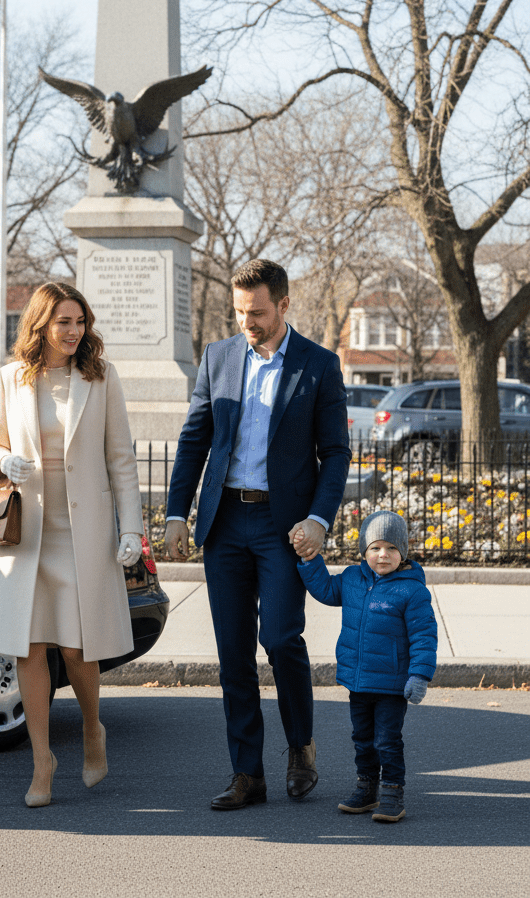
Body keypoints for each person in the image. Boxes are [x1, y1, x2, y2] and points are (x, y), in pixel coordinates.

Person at [164, 258, 351, 810]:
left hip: (283, 526)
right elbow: (194, 438)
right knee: (233, 655)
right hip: (225, 523)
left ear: (284, 306)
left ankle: (300, 748)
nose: (248, 320)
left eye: (259, 311)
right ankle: (248, 772)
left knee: (281, 638)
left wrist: (319, 519)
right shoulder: (218, 357)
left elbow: (335, 453)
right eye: (241, 311)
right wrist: (178, 511)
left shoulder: (319, 365)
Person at [0, 282, 143, 808]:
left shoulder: (100, 377)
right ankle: (42, 761)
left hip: (83, 533)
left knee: (78, 649)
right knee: (29, 650)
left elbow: (121, 458)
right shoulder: (10, 378)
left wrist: (130, 529)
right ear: (40, 325)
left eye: (80, 322)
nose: (74, 332)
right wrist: (2, 463)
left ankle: (93, 730)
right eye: (63, 322)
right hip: (28, 532)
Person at [297, 510, 437, 823]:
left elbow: (425, 636)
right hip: (358, 681)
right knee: (362, 738)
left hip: (392, 684)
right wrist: (309, 561)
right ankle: (366, 787)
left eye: (390, 548)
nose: (382, 554)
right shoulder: (352, 580)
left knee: (387, 740)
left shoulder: (412, 591)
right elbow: (325, 590)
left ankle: (392, 792)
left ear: (403, 552)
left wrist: (419, 675)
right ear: (364, 552)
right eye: (374, 548)